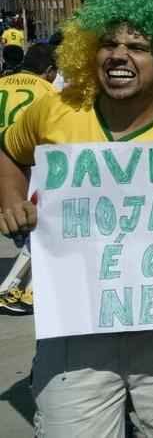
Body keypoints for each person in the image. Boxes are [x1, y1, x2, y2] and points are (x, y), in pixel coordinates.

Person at [0, 0, 153, 437]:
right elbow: (9, 151)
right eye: (108, 43)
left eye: (138, 47)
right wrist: (10, 201)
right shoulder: (58, 110)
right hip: (75, 330)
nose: (119, 55)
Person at [0, 43, 58, 315]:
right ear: (48, 71)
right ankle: (18, 288)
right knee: (40, 225)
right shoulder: (46, 91)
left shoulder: (2, 82)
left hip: (5, 161)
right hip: (22, 164)